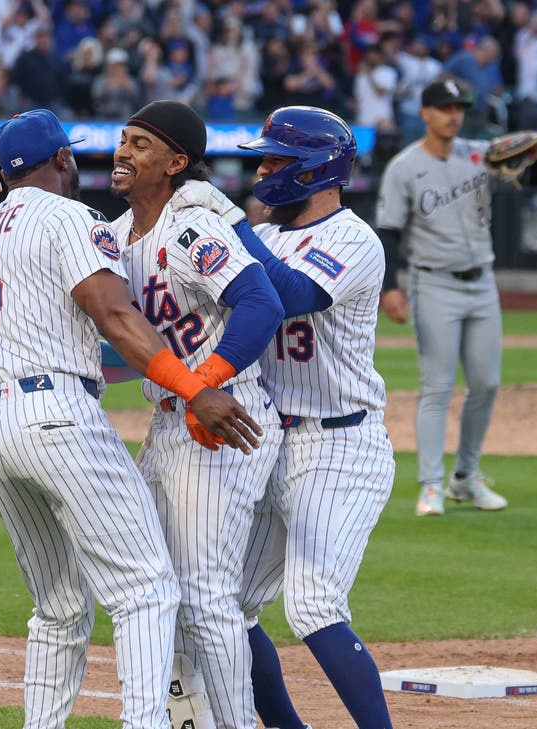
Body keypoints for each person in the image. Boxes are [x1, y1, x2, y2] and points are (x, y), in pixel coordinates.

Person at [0, 108, 262, 729]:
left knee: (59, 608)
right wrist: (195, 389)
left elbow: (37, 325)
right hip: (57, 420)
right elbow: (116, 318)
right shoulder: (71, 215)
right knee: (146, 589)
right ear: (61, 159)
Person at [169, 105, 396, 728]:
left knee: (314, 605)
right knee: (228, 607)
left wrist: (232, 221)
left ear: (317, 172)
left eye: (276, 160)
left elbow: (293, 295)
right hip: (267, 442)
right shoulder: (263, 237)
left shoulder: (354, 239)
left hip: (338, 445)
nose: (262, 169)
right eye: (262, 158)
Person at [111, 100, 284, 729]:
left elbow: (261, 303)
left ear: (177, 162)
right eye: (123, 140)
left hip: (220, 424)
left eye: (141, 144)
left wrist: (206, 383)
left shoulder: (190, 227)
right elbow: (113, 339)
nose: (123, 152)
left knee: (208, 595)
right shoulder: (121, 236)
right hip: (171, 424)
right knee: (161, 591)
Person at [376, 78, 537, 518]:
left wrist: (534, 155)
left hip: (482, 282)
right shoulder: (404, 166)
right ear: (426, 113)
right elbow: (390, 231)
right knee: (437, 385)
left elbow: (535, 180)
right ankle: (430, 485)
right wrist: (390, 287)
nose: (454, 114)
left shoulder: (479, 154)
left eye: (459, 107)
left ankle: (465, 478)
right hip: (433, 282)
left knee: (487, 384)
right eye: (445, 107)